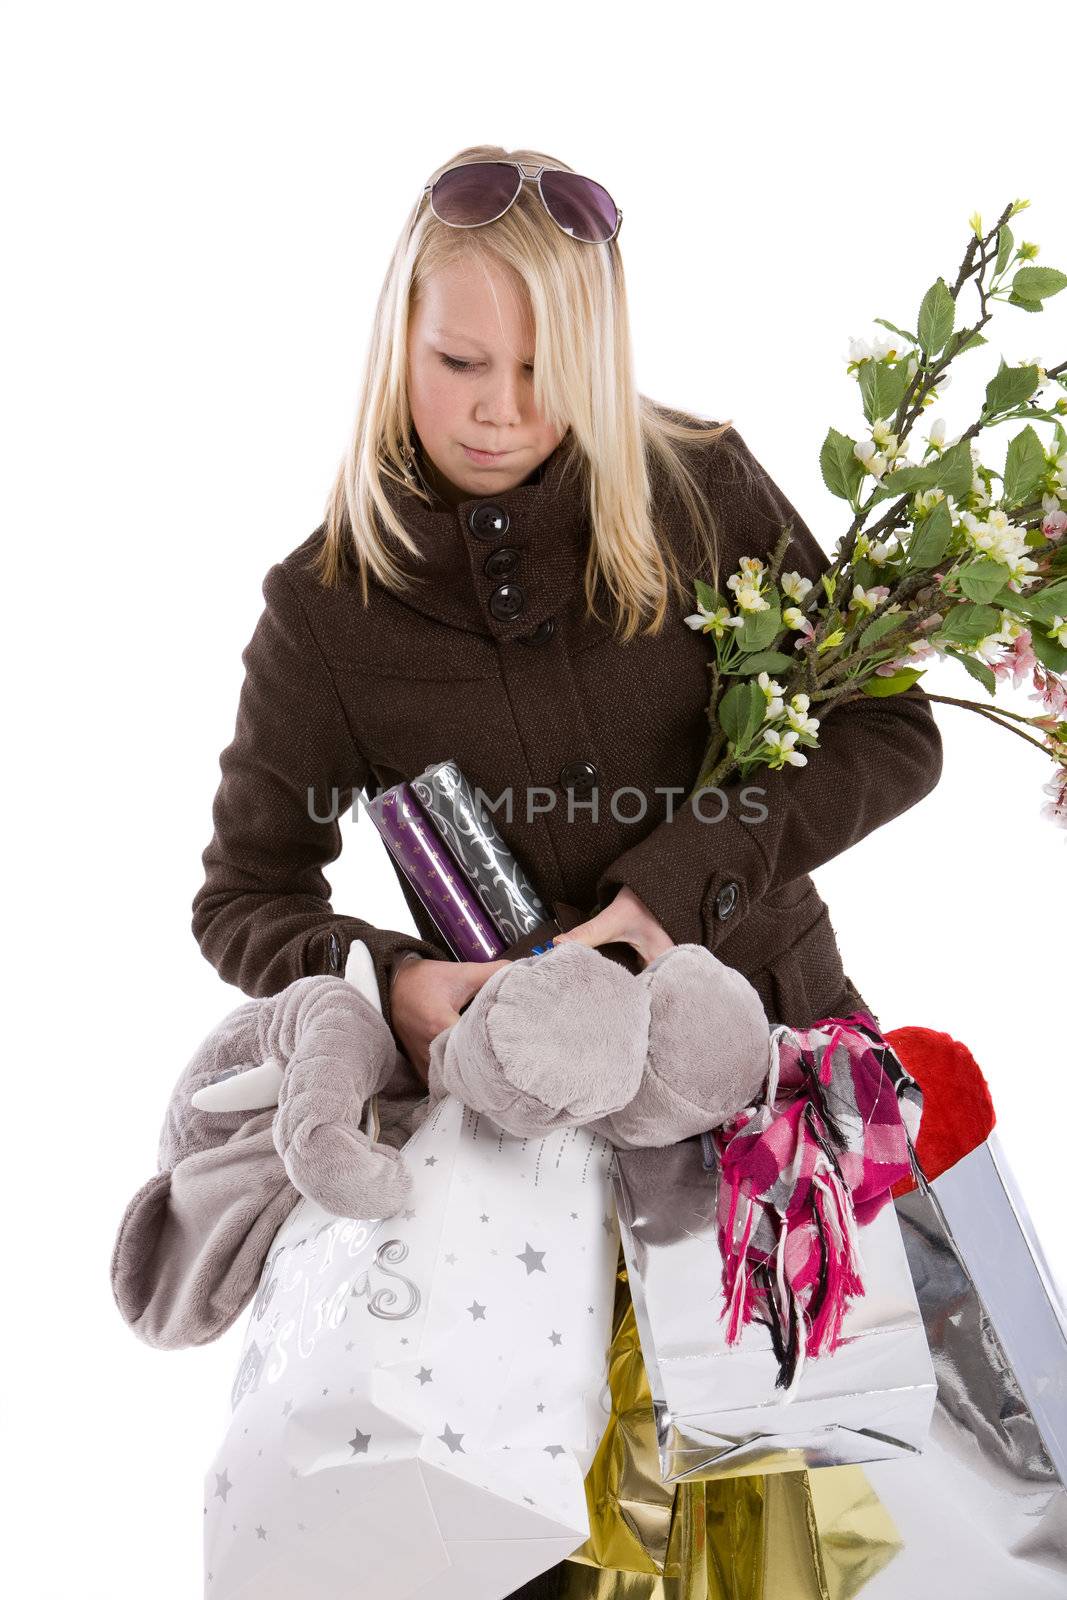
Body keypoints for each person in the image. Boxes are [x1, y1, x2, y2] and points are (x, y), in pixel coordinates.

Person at [191, 143, 944, 1598]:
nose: (499, 409)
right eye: (460, 359)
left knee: (827, 1552)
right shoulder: (324, 610)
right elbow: (243, 897)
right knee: (540, 1555)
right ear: (397, 335)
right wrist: (400, 987)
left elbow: (889, 727)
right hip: (514, 1180)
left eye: (543, 371)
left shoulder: (703, 493)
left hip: (775, 1113)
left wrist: (670, 895)